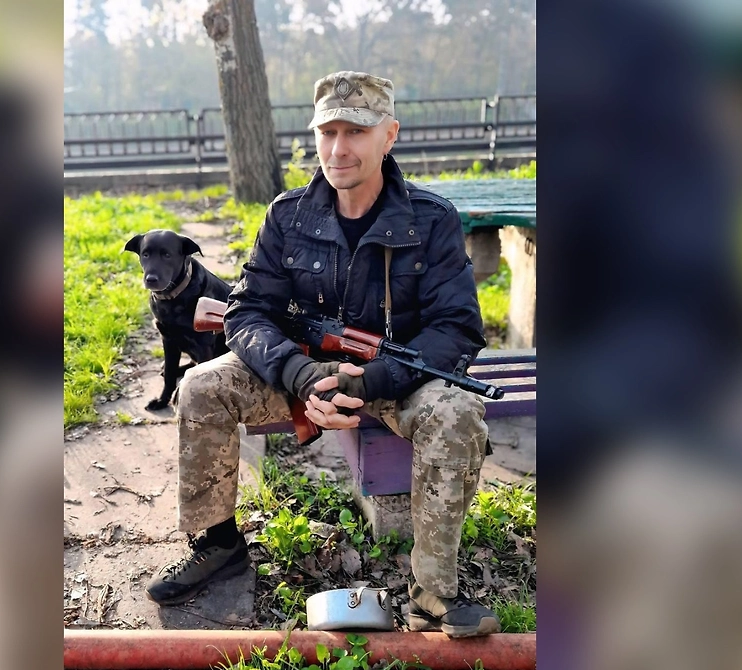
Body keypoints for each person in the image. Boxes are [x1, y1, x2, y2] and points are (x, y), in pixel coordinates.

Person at [146, 71, 498, 637]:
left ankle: (434, 593)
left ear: (389, 135)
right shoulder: (287, 215)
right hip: (301, 367)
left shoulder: (431, 219)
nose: (338, 149)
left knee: (459, 411)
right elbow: (246, 310)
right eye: (327, 132)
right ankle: (218, 544)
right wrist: (299, 372)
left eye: (356, 132)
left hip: (396, 377)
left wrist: (371, 380)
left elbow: (456, 328)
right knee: (201, 386)